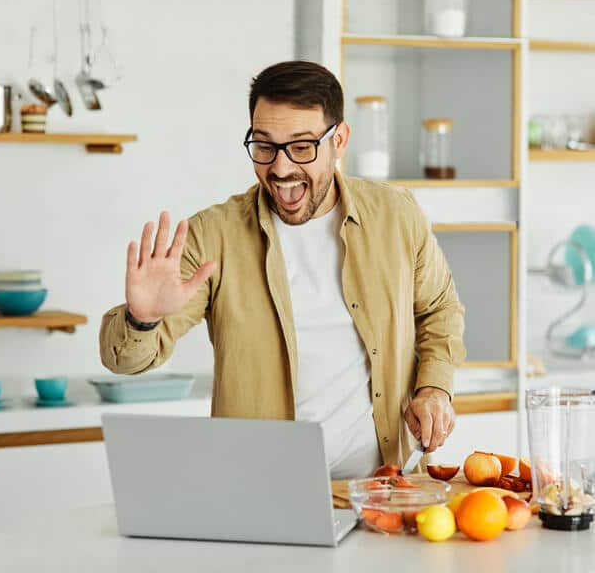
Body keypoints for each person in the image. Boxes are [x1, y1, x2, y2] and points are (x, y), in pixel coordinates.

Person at [99, 61, 466, 479]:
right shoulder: (212, 236)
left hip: (389, 491)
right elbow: (126, 361)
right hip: (262, 494)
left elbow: (440, 310)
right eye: (264, 145)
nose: (280, 167)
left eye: (302, 146)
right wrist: (141, 319)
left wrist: (435, 387)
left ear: (339, 140)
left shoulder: (397, 215)